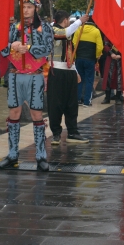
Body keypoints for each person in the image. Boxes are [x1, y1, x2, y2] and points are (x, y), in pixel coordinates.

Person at [0, 0, 53, 171]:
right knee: (14, 112)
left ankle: (41, 156)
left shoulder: (44, 28)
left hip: (35, 76)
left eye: (29, 7)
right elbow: (1, 47)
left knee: (37, 114)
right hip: (15, 76)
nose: (26, 10)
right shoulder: (14, 27)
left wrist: (28, 48)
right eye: (24, 7)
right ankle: (12, 154)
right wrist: (13, 46)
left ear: (36, 8)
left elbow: (48, 48)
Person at [47, 9, 87, 144]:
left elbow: (70, 54)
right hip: (56, 71)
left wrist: (75, 72)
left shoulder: (68, 33)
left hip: (69, 71)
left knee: (71, 104)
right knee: (55, 104)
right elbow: (65, 33)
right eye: (68, 20)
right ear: (65, 20)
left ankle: (73, 132)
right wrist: (80, 22)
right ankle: (56, 133)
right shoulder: (52, 30)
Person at [71, 15, 103, 107]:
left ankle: (78, 100)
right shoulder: (96, 31)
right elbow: (100, 47)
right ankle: (87, 101)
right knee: (89, 80)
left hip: (79, 58)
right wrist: (96, 56)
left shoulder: (78, 29)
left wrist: (76, 55)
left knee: (79, 79)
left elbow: (74, 43)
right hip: (90, 59)